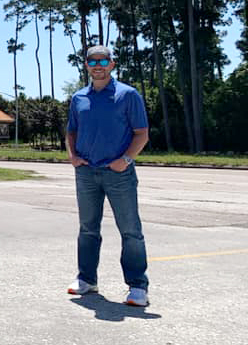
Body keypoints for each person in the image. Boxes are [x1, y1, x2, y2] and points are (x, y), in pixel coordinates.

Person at [66, 45, 150, 307]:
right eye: (93, 61)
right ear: (87, 66)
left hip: (119, 174)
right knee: (88, 229)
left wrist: (125, 161)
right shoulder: (79, 98)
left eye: (103, 60)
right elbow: (71, 131)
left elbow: (141, 134)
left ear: (112, 64)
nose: (98, 65)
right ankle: (87, 279)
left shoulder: (128, 95)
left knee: (130, 230)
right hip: (87, 173)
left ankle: (137, 287)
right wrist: (73, 156)